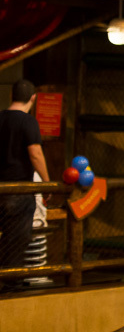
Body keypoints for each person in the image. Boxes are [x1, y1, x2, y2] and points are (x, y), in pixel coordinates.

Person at [0, 80, 50, 291]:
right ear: (33, 98)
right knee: (14, 240)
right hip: (19, 191)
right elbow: (35, 153)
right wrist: (47, 183)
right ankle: (11, 285)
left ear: (11, 95)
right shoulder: (28, 121)